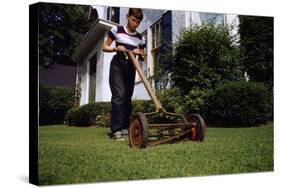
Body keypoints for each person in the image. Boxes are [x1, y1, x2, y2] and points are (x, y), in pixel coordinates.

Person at [102, 8, 145, 140]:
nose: (135, 24)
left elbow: (143, 56)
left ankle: (125, 127)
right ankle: (116, 130)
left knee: (127, 98)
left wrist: (140, 54)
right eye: (133, 20)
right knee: (119, 95)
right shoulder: (117, 30)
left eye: (138, 22)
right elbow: (104, 47)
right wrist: (115, 48)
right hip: (118, 65)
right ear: (128, 17)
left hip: (131, 66)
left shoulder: (140, 37)